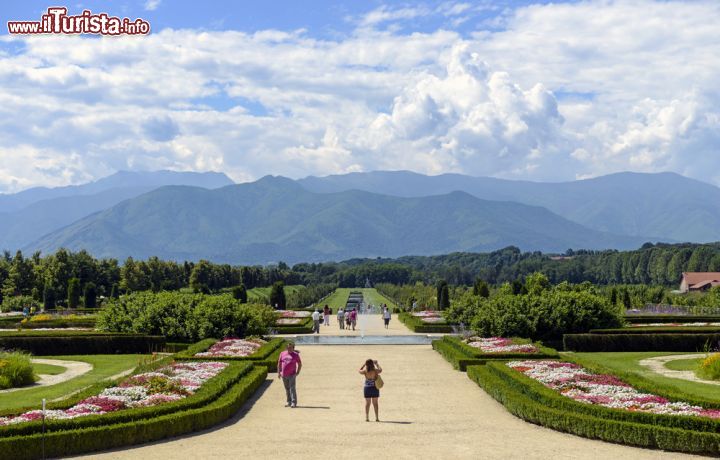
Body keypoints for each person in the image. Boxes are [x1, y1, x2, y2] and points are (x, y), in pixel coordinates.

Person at [277, 342, 302, 408]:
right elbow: (279, 363)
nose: (289, 348)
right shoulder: (282, 353)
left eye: (290, 347)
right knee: (287, 389)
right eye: (288, 347)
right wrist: (279, 372)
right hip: (284, 375)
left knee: (292, 388)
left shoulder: (295, 355)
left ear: (293, 348)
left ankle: (294, 402)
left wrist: (298, 372)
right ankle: (289, 401)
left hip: (292, 374)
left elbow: (299, 364)